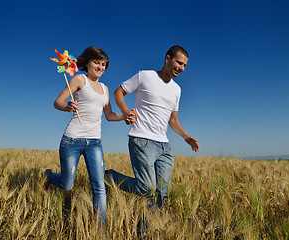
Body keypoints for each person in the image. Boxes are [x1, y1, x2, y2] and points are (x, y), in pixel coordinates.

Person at [106, 45, 199, 213]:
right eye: (179, 62)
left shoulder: (177, 89)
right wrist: (126, 111)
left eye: (185, 65)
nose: (181, 68)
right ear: (167, 58)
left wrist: (186, 136)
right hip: (142, 141)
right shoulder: (145, 76)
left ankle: (144, 231)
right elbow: (118, 92)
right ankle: (109, 176)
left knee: (163, 192)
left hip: (164, 145)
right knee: (146, 188)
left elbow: (173, 120)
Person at [45, 46, 124, 225]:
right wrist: (67, 107)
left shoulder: (105, 88)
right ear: (87, 63)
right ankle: (49, 176)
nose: (100, 67)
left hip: (95, 142)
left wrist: (125, 116)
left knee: (99, 187)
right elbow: (57, 102)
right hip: (72, 140)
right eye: (97, 62)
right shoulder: (79, 79)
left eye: (104, 64)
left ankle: (99, 230)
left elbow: (110, 116)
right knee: (67, 184)